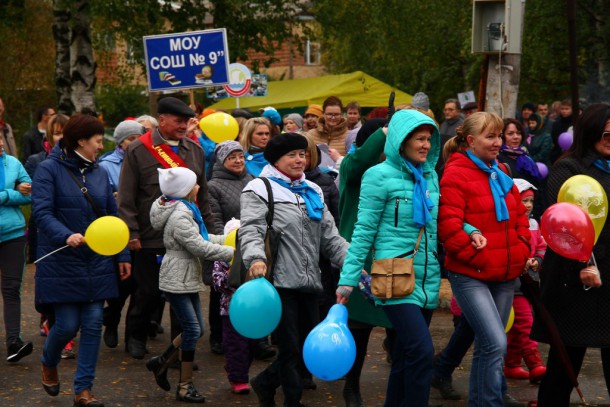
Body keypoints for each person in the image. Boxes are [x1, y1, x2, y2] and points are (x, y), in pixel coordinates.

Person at [336, 109, 441, 407]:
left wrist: (470, 230)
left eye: (428, 139)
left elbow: (439, 224)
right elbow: (363, 232)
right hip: (393, 275)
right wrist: (347, 282)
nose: (425, 145)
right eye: (418, 139)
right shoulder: (377, 176)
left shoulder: (430, 177)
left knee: (407, 356)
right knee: (421, 352)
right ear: (400, 141)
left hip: (427, 276)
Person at [242, 133, 349, 407]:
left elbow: (330, 237)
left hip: (311, 282)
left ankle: (265, 382)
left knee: (304, 349)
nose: (300, 159)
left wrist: (353, 261)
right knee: (290, 348)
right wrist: (254, 258)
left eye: (302, 154)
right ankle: (293, 400)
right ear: (277, 160)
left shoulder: (312, 190)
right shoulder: (260, 188)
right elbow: (251, 229)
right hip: (278, 282)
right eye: (292, 155)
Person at [33, 114, 131, 407]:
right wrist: (66, 235)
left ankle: (83, 391)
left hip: (96, 261)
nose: (101, 147)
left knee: (92, 324)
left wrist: (122, 253)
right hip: (62, 260)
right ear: (81, 141)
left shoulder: (100, 172)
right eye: (98, 141)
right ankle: (49, 361)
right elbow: (42, 212)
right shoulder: (47, 170)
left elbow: (112, 216)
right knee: (65, 325)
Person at [438, 111, 531, 406]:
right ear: (470, 140)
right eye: (490, 136)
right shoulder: (455, 173)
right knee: (494, 341)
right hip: (471, 274)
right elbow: (448, 226)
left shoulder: (501, 172)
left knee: (490, 347)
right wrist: (476, 257)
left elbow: (519, 217)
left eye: (499, 136)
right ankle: (491, 402)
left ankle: (485, 400)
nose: (497, 142)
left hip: (504, 274)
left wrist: (520, 250)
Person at [118, 97, 216, 360]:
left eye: (187, 121)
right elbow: (127, 196)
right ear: (161, 120)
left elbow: (202, 194)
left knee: (182, 294)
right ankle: (135, 337)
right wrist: (132, 232)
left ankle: (179, 350)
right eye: (179, 121)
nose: (185, 125)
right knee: (147, 292)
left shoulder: (194, 150)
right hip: (150, 235)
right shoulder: (139, 149)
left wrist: (207, 227)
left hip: (185, 235)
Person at [531, 103, 610, 406]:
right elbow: (560, 223)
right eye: (606, 133)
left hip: (608, 281)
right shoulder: (568, 168)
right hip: (574, 282)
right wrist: (585, 263)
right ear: (590, 131)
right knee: (565, 366)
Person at [147, 167, 233, 403]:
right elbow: (199, 247)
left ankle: (162, 361)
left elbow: (203, 238)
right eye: (194, 184)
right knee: (193, 329)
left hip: (185, 276)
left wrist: (230, 236)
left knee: (197, 329)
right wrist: (232, 252)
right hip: (177, 277)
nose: (198, 187)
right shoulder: (180, 215)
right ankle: (184, 386)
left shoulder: (185, 208)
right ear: (184, 190)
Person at [97, 120, 145, 350]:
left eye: (139, 138)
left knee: (141, 286)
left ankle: (133, 337)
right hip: (117, 231)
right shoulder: (106, 165)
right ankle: (112, 319)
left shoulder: (148, 159)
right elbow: (103, 195)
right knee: (121, 285)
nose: (136, 143)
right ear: (120, 142)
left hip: (143, 228)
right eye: (131, 139)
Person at [504, 179, 547, 383]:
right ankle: (535, 364)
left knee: (518, 326)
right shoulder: (508, 224)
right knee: (525, 323)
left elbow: (541, 246)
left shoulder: (534, 223)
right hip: (511, 283)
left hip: (526, 283)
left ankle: (511, 364)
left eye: (531, 200)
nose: (528, 205)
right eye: (524, 200)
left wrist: (537, 260)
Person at [211, 218, 257, 395]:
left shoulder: (251, 258)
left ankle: (234, 368)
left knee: (252, 345)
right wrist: (231, 277)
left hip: (252, 311)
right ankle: (238, 378)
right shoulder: (223, 257)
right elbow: (216, 283)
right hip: (230, 310)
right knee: (235, 345)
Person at [0, 133, 33, 363]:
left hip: (12, 234)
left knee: (12, 289)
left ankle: (14, 342)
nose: (1, 143)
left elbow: (31, 194)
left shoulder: (13, 163)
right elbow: (19, 193)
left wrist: (4, 195)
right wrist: (12, 193)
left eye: (0, 138)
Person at [498, 118, 541, 187]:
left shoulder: (524, 154)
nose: (516, 137)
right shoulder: (498, 158)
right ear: (502, 136)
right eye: (510, 134)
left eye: (518, 133)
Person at [308, 96, 349, 163]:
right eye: (329, 114)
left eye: (336, 114)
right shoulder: (311, 135)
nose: (333, 118)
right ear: (323, 114)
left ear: (341, 114)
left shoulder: (349, 135)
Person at [436, 98, 464, 172]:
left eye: (450, 109)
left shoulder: (462, 126)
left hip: (455, 162)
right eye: (445, 110)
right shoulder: (443, 125)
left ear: (458, 111)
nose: (447, 112)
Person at [550, 99, 573, 163]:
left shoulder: (575, 123)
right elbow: (554, 138)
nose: (564, 111)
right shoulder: (556, 123)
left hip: (571, 155)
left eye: (567, 109)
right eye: (562, 109)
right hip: (558, 154)